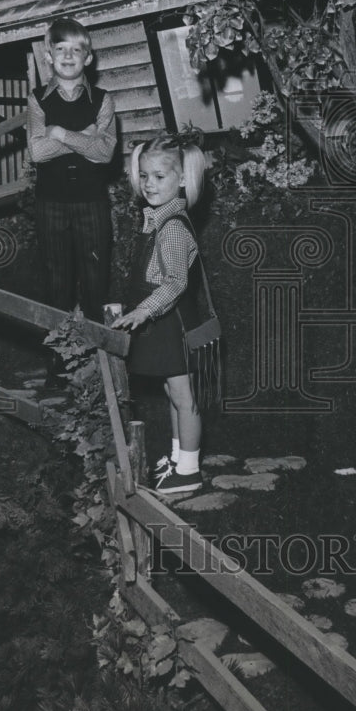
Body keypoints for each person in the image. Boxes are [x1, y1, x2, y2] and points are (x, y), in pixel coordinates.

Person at [111, 133, 210, 495]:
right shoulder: (157, 219)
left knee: (184, 397)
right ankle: (176, 457)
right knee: (173, 393)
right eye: (144, 176)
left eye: (159, 177)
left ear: (183, 179)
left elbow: (174, 285)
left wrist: (143, 311)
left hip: (173, 323)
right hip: (165, 322)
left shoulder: (171, 228)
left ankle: (190, 469)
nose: (149, 184)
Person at [26, 17, 116, 325]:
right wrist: (86, 136)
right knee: (56, 285)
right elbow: (37, 151)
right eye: (60, 48)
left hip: (92, 202)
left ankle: (98, 366)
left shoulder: (103, 100)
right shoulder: (37, 99)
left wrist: (61, 134)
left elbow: (104, 153)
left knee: (95, 284)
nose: (67, 56)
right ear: (48, 56)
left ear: (88, 58)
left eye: (76, 49)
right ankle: (59, 365)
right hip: (50, 202)